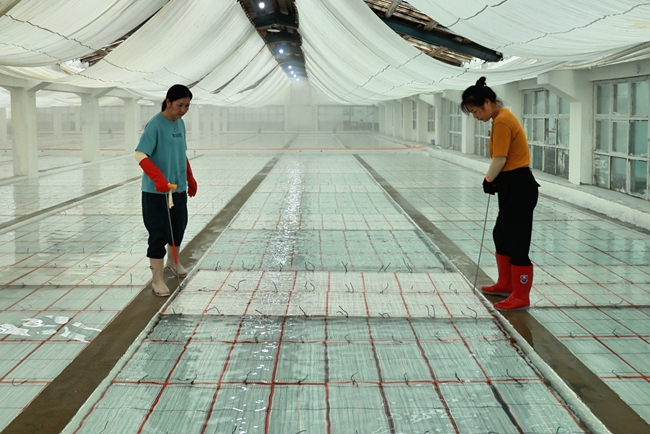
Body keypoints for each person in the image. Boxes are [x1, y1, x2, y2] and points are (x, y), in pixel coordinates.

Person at [461, 76, 539, 311]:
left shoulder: (503, 121)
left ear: (487, 102)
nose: (476, 116)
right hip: (510, 184)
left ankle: (521, 295)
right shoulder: (500, 119)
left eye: (475, 111)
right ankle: (505, 283)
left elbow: (500, 159)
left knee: (517, 242)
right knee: (501, 234)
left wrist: (488, 179)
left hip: (518, 185)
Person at [134, 84, 197, 297]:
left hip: (177, 189)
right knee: (159, 234)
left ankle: (174, 262)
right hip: (156, 193)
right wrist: (158, 179)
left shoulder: (180, 124)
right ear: (168, 102)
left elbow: (181, 153)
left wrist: (189, 177)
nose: (183, 110)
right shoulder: (155, 125)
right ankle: (157, 280)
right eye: (179, 105)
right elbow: (140, 154)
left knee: (178, 228)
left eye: (187, 106)